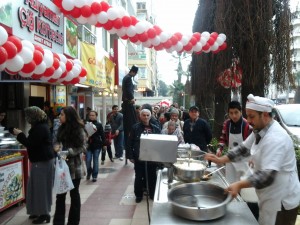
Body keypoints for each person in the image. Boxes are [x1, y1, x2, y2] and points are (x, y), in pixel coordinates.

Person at [205, 94, 300, 225]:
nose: (248, 121)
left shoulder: (277, 138)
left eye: (252, 116)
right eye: (247, 116)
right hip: (269, 195)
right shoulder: (260, 130)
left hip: (282, 201)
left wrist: (239, 184)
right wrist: (220, 159)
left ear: (265, 115)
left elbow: (266, 176)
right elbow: (242, 149)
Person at [13, 106, 55, 224]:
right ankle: (37, 211)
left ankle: (44, 213)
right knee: (35, 187)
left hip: (42, 162)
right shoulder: (41, 126)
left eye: (27, 117)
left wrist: (20, 134)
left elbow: (30, 144)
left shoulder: (40, 128)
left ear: (32, 117)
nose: (26, 119)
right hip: (42, 161)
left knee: (40, 188)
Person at [53, 106, 87, 225]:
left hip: (74, 167)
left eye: (62, 115)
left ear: (69, 116)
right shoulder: (60, 128)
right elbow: (56, 141)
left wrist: (68, 152)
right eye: (60, 114)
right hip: (61, 167)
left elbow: (83, 147)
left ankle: (73, 222)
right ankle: (58, 222)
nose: (59, 117)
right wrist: (57, 147)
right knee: (60, 195)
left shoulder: (79, 129)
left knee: (74, 194)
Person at [127, 109, 161, 203]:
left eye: (147, 115)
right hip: (139, 157)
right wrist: (130, 156)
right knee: (139, 177)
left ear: (150, 116)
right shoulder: (135, 128)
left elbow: (160, 143)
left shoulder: (156, 128)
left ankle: (152, 194)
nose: (146, 117)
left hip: (152, 158)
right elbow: (130, 142)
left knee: (152, 177)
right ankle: (138, 195)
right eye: (144, 115)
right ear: (140, 116)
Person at [216, 101, 252, 183]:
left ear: (241, 112)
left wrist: (252, 158)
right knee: (230, 183)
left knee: (242, 186)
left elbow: (251, 145)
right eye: (231, 113)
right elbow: (223, 138)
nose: (234, 116)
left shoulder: (247, 125)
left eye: (236, 112)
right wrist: (219, 149)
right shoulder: (227, 124)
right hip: (230, 158)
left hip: (244, 160)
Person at [122, 65, 139, 155]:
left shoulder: (126, 78)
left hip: (127, 103)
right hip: (128, 103)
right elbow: (128, 90)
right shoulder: (128, 78)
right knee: (132, 123)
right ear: (134, 72)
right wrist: (132, 98)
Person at [86, 110, 105, 182]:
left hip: (97, 145)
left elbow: (102, 135)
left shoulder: (99, 125)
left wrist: (104, 144)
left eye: (93, 115)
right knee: (88, 160)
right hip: (88, 145)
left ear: (96, 116)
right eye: (90, 115)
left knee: (95, 160)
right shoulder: (86, 123)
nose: (91, 116)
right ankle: (89, 171)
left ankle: (94, 175)